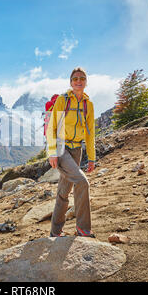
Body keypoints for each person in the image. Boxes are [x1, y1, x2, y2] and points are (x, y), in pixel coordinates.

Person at [46, 67, 96, 238]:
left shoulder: (88, 104)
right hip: (61, 148)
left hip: (77, 150)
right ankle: (83, 229)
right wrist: (52, 152)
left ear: (86, 82)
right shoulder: (63, 100)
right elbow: (52, 127)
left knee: (63, 192)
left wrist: (92, 157)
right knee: (82, 182)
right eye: (75, 79)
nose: (79, 81)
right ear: (71, 82)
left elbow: (90, 133)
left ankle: (55, 232)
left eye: (82, 78)